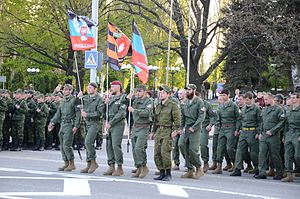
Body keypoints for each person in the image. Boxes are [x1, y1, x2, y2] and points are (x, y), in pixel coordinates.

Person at [150, 85, 181, 181]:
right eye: (160, 93)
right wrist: (153, 132)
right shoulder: (158, 105)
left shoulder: (173, 105)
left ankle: (168, 173)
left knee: (165, 152)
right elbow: (155, 120)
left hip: (168, 131)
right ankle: (161, 172)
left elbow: (177, 120)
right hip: (159, 130)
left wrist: (175, 130)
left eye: (163, 93)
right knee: (157, 153)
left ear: (168, 94)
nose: (161, 94)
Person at [48, 84, 81, 172]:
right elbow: (58, 114)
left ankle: (71, 163)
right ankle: (66, 162)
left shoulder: (74, 100)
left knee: (67, 145)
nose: (64, 91)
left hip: (70, 124)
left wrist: (76, 126)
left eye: (66, 90)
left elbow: (78, 114)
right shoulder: (62, 101)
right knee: (62, 146)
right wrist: (52, 122)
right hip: (62, 124)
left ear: (70, 91)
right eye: (64, 90)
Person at [178, 84, 206, 179]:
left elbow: (201, 117)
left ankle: (199, 168)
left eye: (189, 90)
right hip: (187, 128)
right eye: (186, 90)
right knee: (181, 145)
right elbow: (183, 117)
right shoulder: (185, 102)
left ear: (194, 90)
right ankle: (189, 169)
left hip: (195, 129)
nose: (187, 92)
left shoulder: (199, 102)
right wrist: (181, 128)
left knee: (193, 150)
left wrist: (194, 127)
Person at [255, 93, 285, 180]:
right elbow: (262, 122)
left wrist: (273, 131)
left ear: (272, 99)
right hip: (264, 135)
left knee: (274, 155)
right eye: (264, 99)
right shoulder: (264, 109)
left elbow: (282, 122)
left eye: (267, 99)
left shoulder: (278, 109)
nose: (265, 101)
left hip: (273, 136)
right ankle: (262, 172)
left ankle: (279, 172)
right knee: (262, 154)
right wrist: (260, 132)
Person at [230, 92, 261, 176]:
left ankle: (257, 168)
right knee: (240, 150)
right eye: (245, 100)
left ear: (251, 99)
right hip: (243, 131)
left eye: (247, 100)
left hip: (252, 131)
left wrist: (258, 132)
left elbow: (260, 122)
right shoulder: (243, 109)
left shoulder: (256, 109)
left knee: (253, 152)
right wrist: (237, 129)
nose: (246, 101)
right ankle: (237, 169)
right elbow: (240, 120)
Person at [212, 89, 241, 174]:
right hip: (222, 129)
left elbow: (238, 118)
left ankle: (235, 164)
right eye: (221, 95)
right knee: (220, 148)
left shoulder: (233, 105)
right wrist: (218, 127)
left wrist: (237, 129)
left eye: (224, 95)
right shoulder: (220, 106)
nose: (222, 97)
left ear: (228, 95)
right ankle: (219, 166)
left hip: (231, 128)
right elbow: (218, 118)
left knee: (229, 148)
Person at [77, 82, 104, 174]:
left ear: (95, 89)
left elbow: (99, 113)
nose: (89, 89)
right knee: (87, 143)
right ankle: (89, 164)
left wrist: (87, 114)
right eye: (88, 88)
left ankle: (93, 162)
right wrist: (78, 97)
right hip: (86, 123)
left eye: (91, 88)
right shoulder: (86, 98)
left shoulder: (99, 99)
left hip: (95, 123)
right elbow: (76, 103)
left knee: (88, 142)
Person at [128, 84, 153, 178]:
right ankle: (138, 167)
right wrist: (128, 99)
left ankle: (144, 167)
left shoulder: (149, 101)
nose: (137, 93)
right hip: (135, 127)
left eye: (139, 91)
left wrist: (135, 111)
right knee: (134, 149)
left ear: (144, 91)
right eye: (136, 91)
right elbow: (129, 105)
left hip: (144, 127)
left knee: (139, 148)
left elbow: (146, 113)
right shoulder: (136, 100)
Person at [103, 80, 127, 176]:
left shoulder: (123, 98)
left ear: (118, 87)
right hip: (110, 124)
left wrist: (111, 123)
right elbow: (104, 112)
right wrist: (106, 103)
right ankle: (111, 165)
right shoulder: (110, 98)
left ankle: (119, 167)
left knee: (115, 145)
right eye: (111, 86)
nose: (111, 88)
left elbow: (121, 113)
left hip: (117, 124)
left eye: (113, 86)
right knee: (109, 145)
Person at [281, 93, 300, 182]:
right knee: (287, 155)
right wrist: (285, 136)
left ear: (298, 99)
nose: (292, 100)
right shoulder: (288, 110)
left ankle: (298, 169)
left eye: (293, 98)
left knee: (297, 156)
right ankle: (289, 175)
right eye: (291, 98)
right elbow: (286, 124)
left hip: (298, 133)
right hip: (289, 133)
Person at [172, 89, 186, 170]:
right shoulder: (177, 104)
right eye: (179, 93)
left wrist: (182, 128)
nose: (180, 95)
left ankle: (188, 162)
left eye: (181, 94)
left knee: (182, 145)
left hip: (184, 128)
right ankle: (176, 163)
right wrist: (175, 129)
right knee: (175, 146)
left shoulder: (187, 104)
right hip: (176, 128)